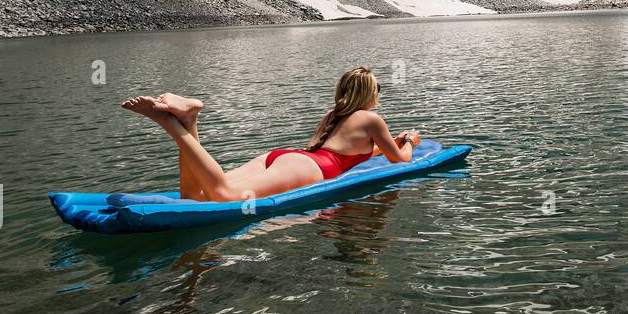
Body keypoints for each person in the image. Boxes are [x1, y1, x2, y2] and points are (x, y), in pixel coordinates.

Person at [121, 67, 421, 202]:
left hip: (286, 158)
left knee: (193, 195)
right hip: (312, 168)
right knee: (222, 195)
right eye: (378, 90)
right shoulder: (372, 118)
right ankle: (171, 124)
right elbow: (400, 161)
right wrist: (408, 140)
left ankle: (188, 119)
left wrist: (383, 147)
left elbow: (358, 151)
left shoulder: (333, 115)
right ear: (370, 93)